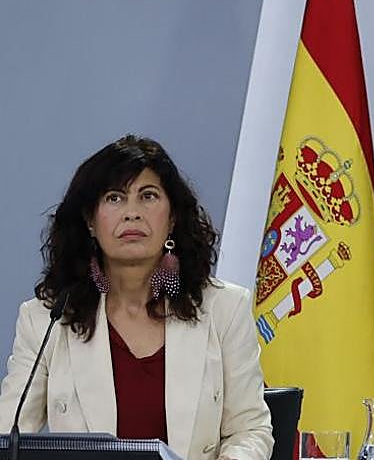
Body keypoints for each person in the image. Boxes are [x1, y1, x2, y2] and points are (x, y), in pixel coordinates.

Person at [0, 135, 273, 460]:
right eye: (115, 198)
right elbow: (8, 437)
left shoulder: (225, 309)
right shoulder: (47, 319)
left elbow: (250, 430)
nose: (132, 213)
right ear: (90, 220)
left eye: (148, 196)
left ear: (172, 218)